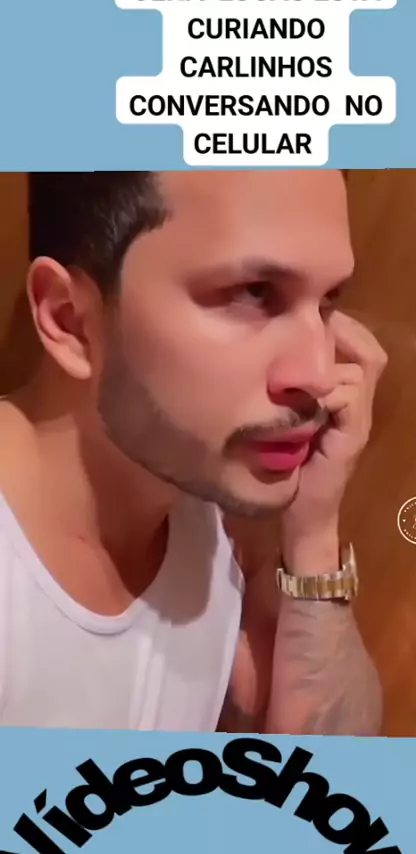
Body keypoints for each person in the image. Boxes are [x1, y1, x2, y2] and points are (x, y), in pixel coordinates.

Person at [0, 169, 387, 734]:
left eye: (328, 301)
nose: (321, 374)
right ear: (70, 319)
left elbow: (325, 779)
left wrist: (313, 534)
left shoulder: (211, 526)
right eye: (254, 293)